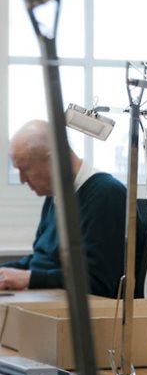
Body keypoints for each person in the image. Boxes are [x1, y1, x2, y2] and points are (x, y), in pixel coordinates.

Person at [0, 119, 127, 298]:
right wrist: (7, 273)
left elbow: (99, 282)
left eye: (25, 169)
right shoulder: (55, 195)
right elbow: (42, 261)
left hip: (87, 315)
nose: (21, 179)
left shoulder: (106, 195)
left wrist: (30, 278)